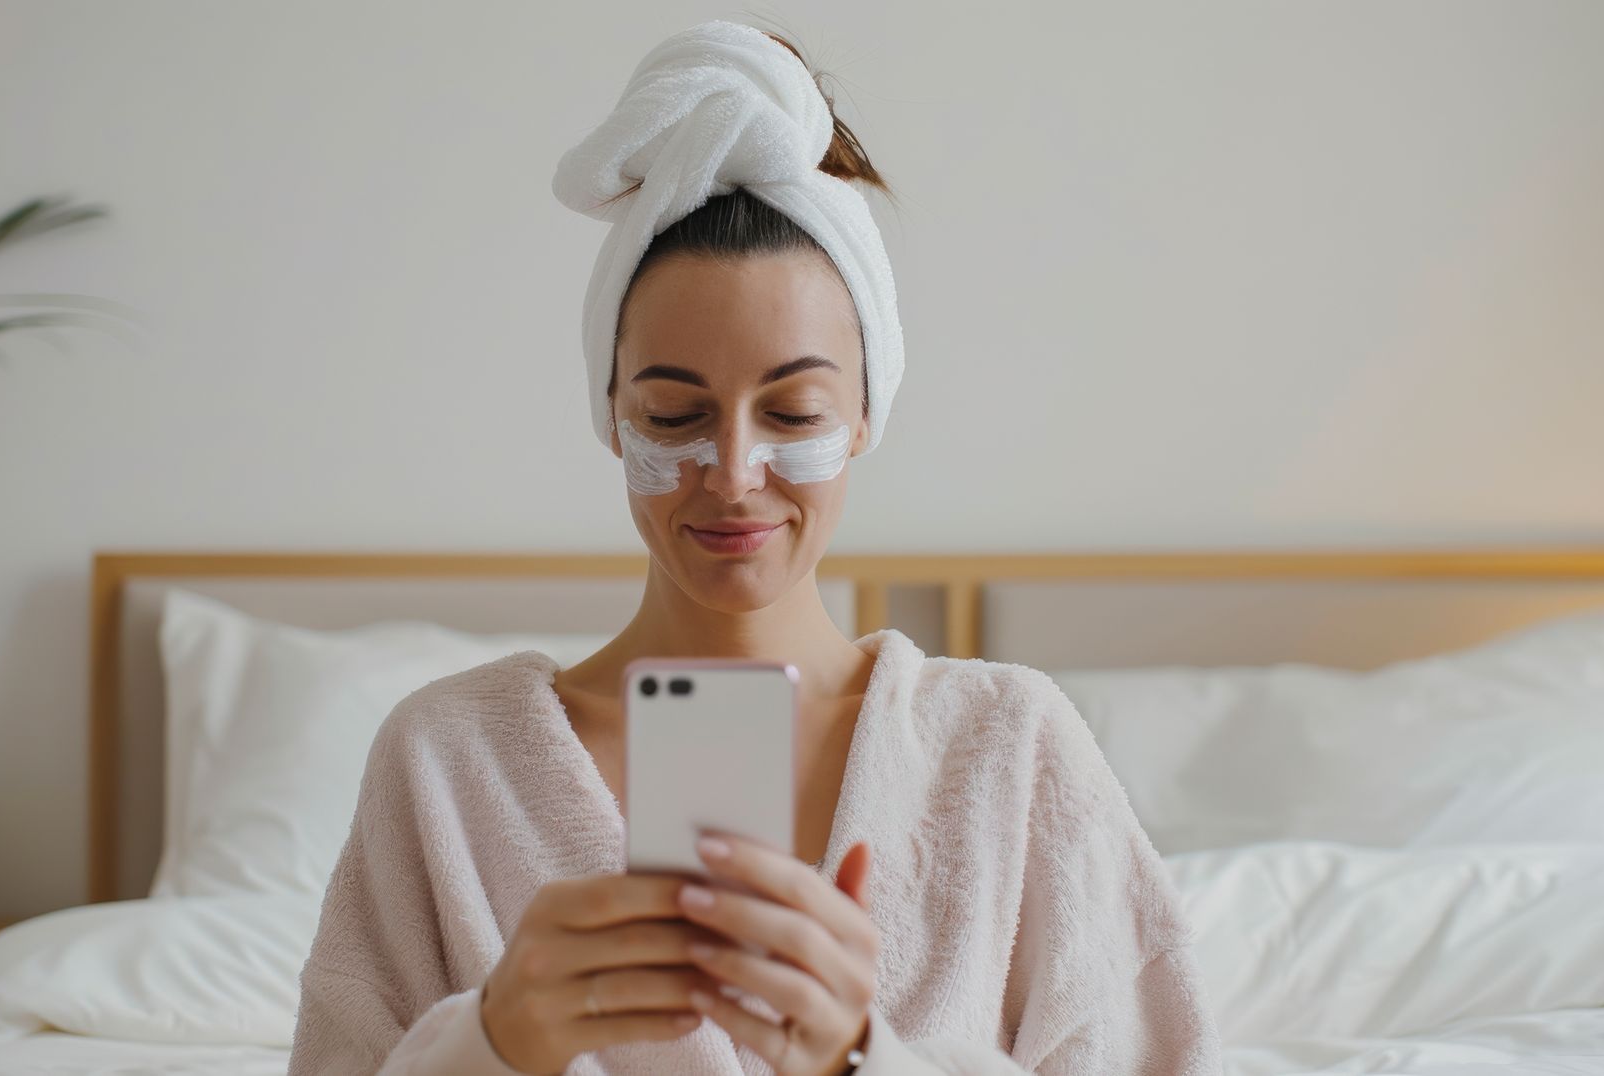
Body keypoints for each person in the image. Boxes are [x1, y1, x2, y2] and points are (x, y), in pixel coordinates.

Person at [288, 19, 1221, 1076]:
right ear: (612, 418)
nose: (731, 473)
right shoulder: (448, 760)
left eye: (793, 412)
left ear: (866, 414)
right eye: (676, 416)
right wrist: (492, 1044)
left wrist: (857, 1058)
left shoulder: (1008, 749)